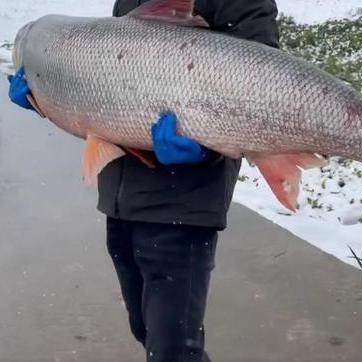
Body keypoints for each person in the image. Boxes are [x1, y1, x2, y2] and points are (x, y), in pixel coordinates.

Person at [7, 0, 280, 361]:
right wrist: (46, 99)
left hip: (185, 205)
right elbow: (109, 97)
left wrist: (206, 150)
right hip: (123, 199)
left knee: (173, 349)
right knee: (146, 330)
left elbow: (269, 88)